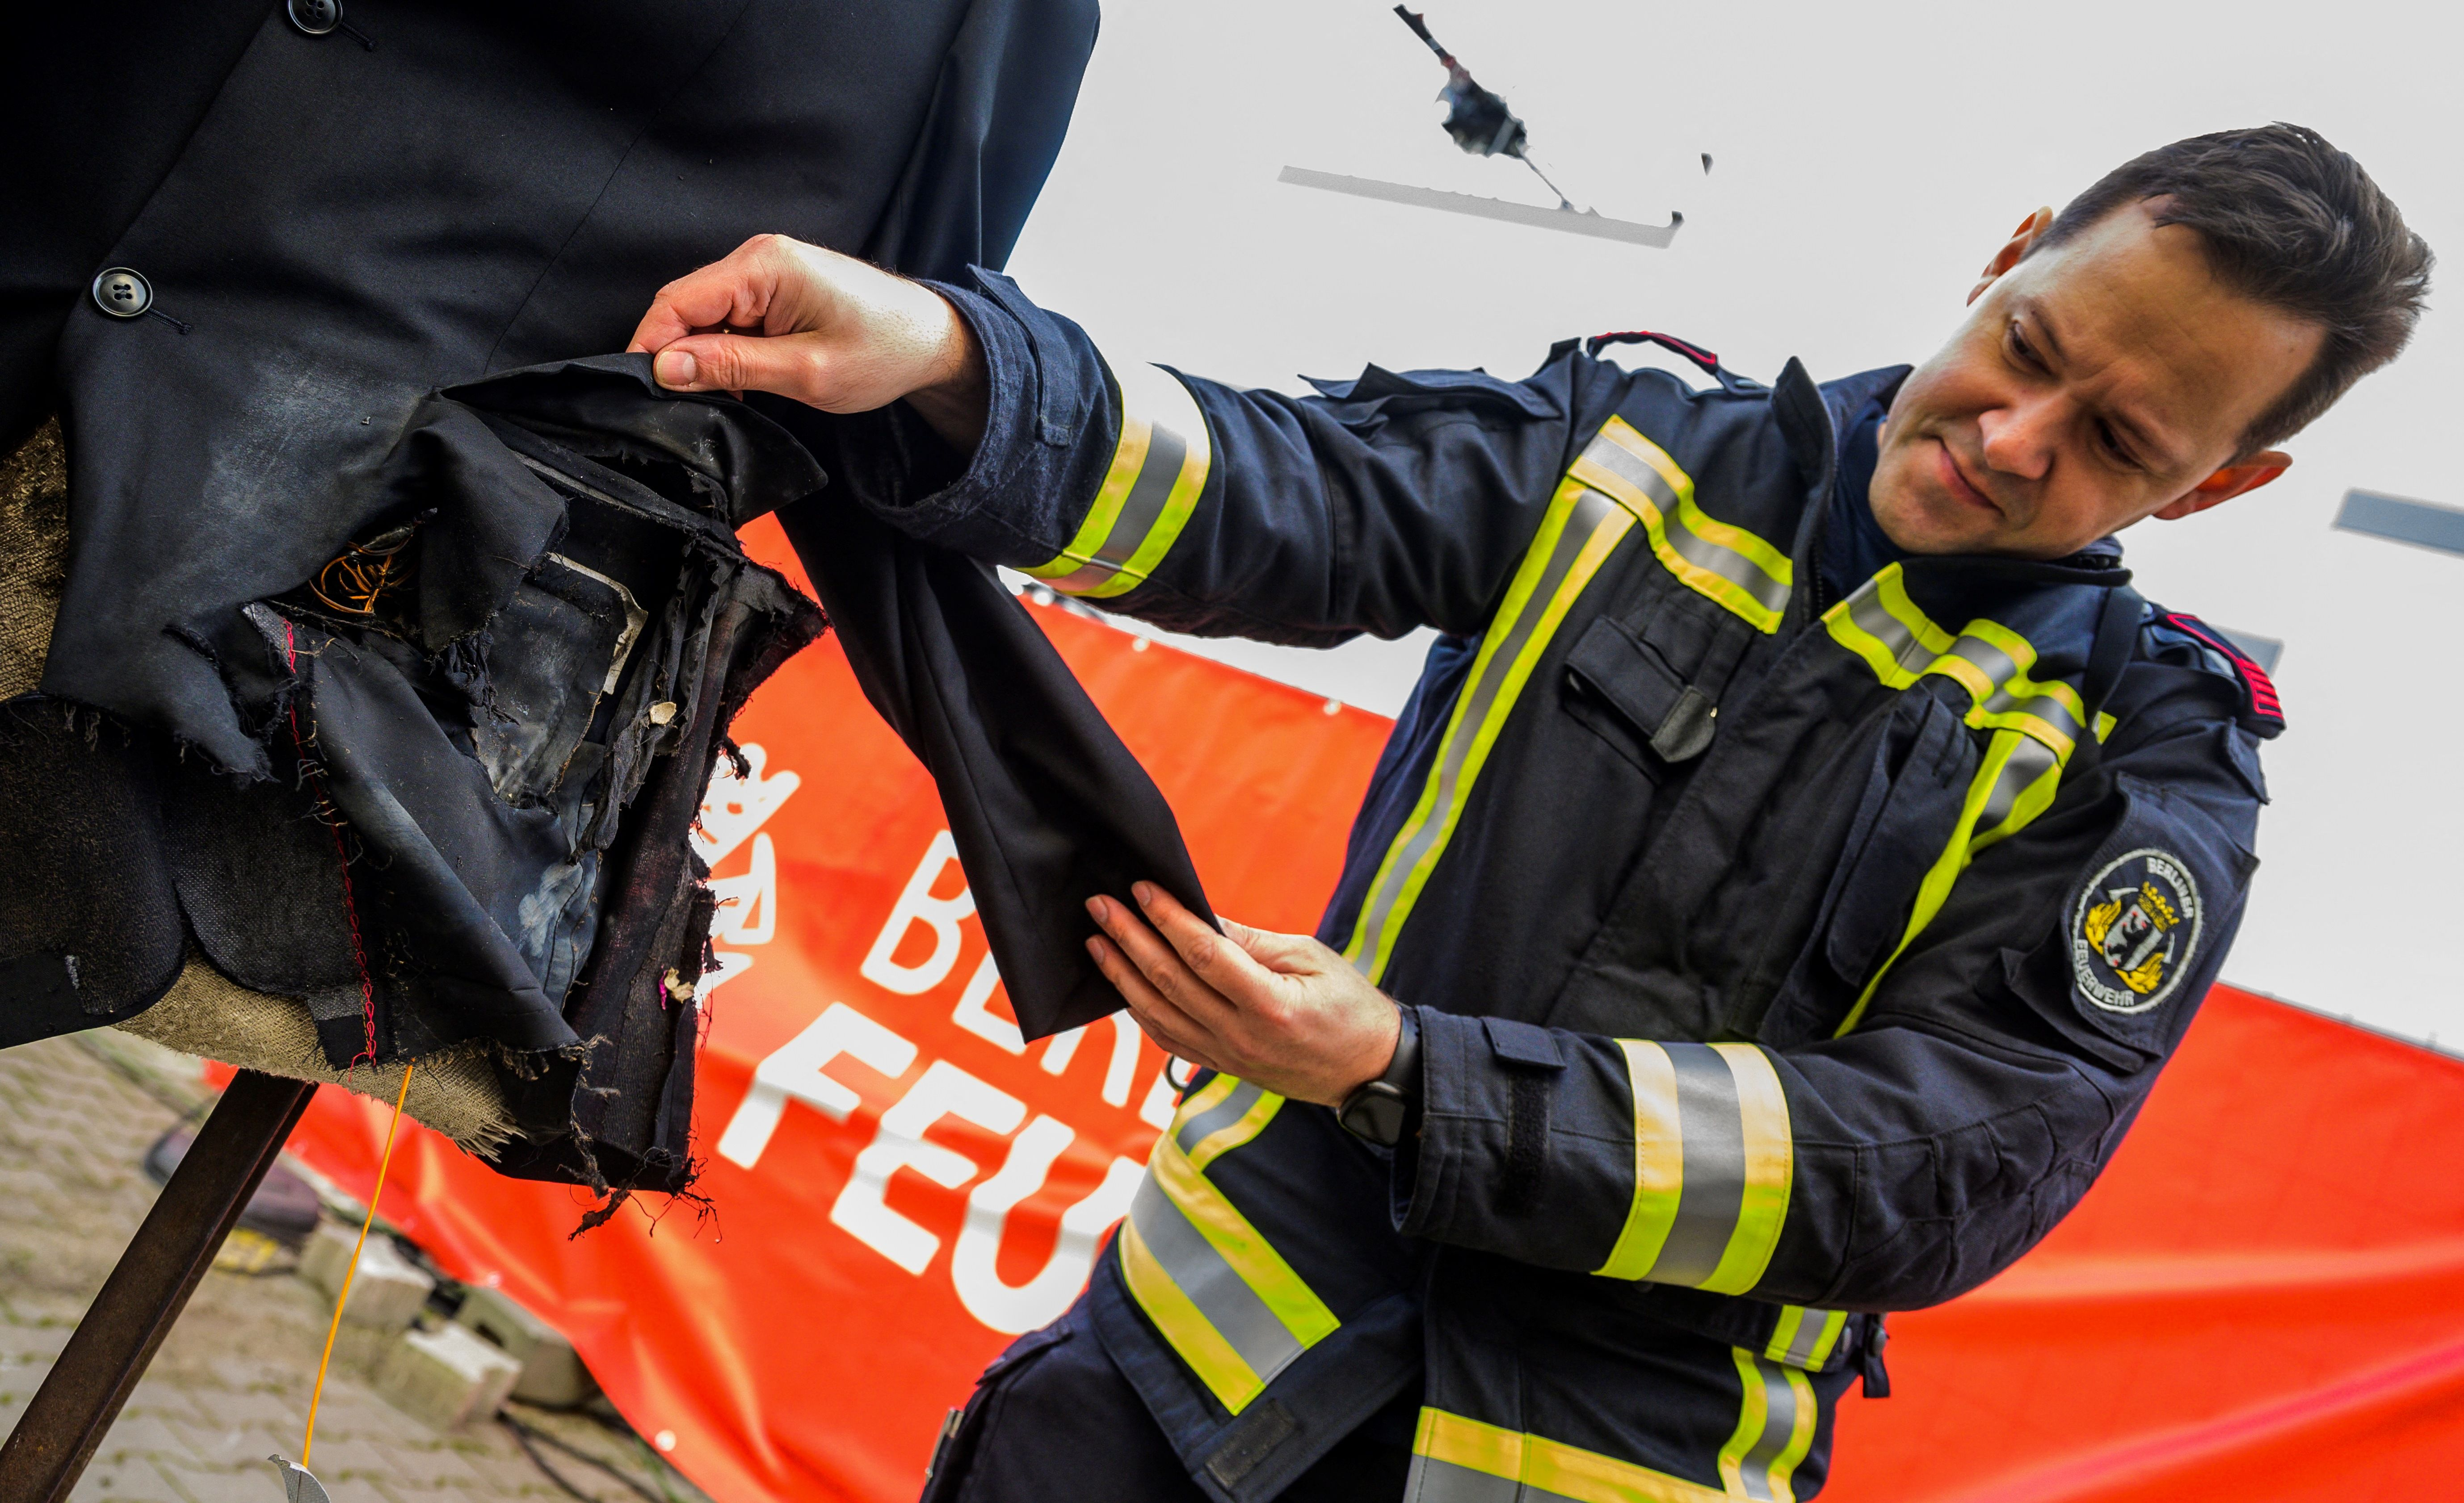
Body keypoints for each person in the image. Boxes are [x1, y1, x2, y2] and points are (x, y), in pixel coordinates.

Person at [631, 124, 2428, 1502]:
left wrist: (1408, 1076)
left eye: (2118, 442)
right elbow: (1292, 487)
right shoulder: (1639, 442)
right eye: (2027, 344)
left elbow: (1938, 1167)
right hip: (1172, 1382)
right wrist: (946, 355)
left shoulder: (2147, 761)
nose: (2018, 437)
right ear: (2009, 251)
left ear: (2231, 481)